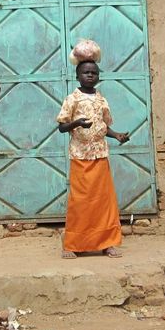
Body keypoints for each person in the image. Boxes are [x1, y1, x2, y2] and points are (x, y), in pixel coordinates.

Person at [56, 40, 129, 259]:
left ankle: (108, 243)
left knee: (104, 201)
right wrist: (76, 123)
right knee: (81, 202)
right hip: (80, 157)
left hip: (100, 156)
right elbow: (61, 127)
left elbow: (103, 126)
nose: (90, 75)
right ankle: (73, 244)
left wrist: (116, 135)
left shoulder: (101, 99)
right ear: (78, 76)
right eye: (86, 72)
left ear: (98, 76)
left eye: (94, 72)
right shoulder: (72, 99)